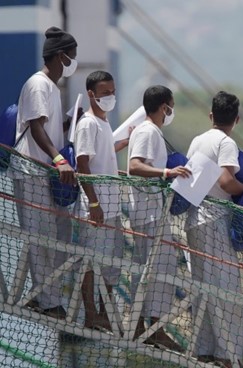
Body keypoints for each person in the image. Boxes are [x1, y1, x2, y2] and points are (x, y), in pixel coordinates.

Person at [11, 26, 78, 319]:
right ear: (61, 56)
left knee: (54, 235)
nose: (73, 62)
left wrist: (70, 122)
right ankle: (48, 301)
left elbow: (50, 125)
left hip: (46, 172)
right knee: (39, 236)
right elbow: (36, 126)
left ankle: (48, 295)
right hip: (31, 169)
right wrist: (58, 159)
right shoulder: (38, 84)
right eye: (72, 57)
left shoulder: (53, 87)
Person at [185, 91, 243, 366]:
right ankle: (228, 356)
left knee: (202, 287)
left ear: (211, 116)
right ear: (236, 119)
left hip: (193, 217)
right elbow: (226, 181)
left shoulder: (198, 140)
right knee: (227, 290)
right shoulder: (226, 142)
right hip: (215, 217)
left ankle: (204, 349)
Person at [127, 85, 190, 352]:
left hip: (151, 211)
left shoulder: (150, 132)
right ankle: (154, 327)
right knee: (159, 271)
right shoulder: (147, 131)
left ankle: (147, 326)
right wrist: (167, 172)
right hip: (149, 213)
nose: (171, 112)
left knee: (151, 272)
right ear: (164, 106)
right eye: (171, 106)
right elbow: (135, 165)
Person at [74, 71, 129, 332]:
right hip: (95, 208)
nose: (110, 97)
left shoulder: (104, 123)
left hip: (112, 207)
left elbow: (102, 156)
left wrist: (123, 143)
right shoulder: (87, 123)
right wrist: (94, 204)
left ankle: (105, 311)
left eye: (113, 92)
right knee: (91, 261)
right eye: (105, 92)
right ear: (91, 94)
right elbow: (82, 163)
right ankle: (90, 313)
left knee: (113, 261)